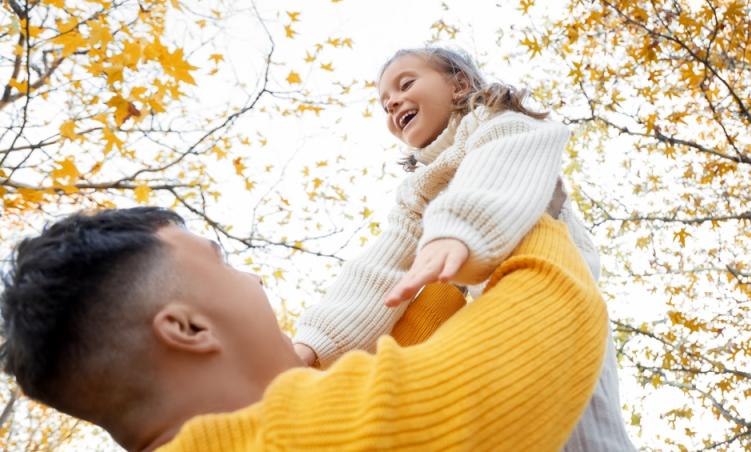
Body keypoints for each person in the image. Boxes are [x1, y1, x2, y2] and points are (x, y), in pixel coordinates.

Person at [1, 207, 607, 451]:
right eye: (221, 263)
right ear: (187, 327)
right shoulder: (297, 441)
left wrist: (440, 273)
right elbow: (550, 314)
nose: (255, 279)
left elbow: (400, 366)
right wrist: (506, 206)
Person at [293, 47, 635, 450]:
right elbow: (379, 270)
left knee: (583, 424)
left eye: (405, 84)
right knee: (516, 423)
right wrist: (313, 344)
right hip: (494, 315)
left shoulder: (499, 124)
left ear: (459, 84)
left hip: (558, 300)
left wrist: (455, 231)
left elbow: (501, 168)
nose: (394, 103)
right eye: (385, 103)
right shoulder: (420, 191)